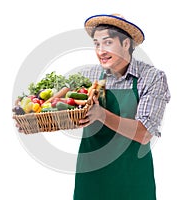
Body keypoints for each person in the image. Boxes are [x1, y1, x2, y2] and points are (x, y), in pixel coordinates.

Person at [73, 14, 171, 200]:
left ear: (126, 44)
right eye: (96, 44)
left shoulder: (150, 78)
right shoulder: (88, 75)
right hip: (91, 178)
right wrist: (32, 117)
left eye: (107, 42)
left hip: (131, 179)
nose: (100, 50)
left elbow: (144, 134)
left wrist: (101, 115)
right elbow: (65, 111)